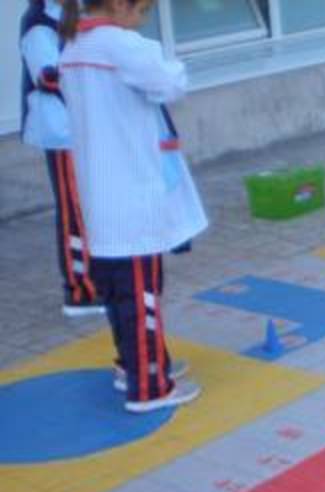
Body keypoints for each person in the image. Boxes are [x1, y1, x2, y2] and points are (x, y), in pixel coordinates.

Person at [59, 0, 203, 412]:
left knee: (119, 293)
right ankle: (150, 387)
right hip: (132, 194)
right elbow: (170, 83)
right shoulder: (122, 46)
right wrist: (171, 63)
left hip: (99, 195)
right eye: (142, 11)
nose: (142, 20)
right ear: (121, 6)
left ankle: (134, 365)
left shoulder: (74, 47)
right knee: (142, 294)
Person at [20, 0, 102, 318]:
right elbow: (48, 77)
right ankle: (79, 289)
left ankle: (95, 278)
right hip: (60, 132)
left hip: (81, 127)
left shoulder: (76, 11)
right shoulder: (38, 23)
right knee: (73, 211)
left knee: (89, 208)